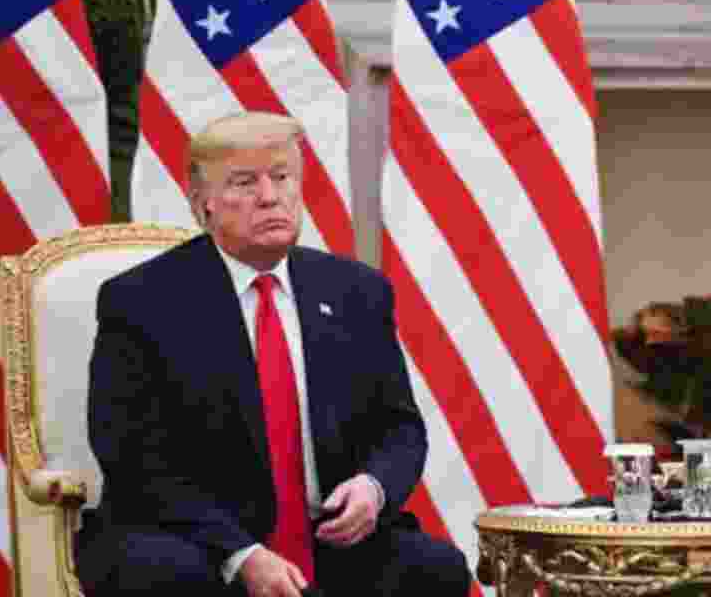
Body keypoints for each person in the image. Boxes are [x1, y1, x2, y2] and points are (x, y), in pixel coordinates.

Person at [79, 112, 470, 597]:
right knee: (166, 575)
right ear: (202, 204)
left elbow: (399, 428)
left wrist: (373, 487)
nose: (269, 196)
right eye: (245, 183)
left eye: (282, 177)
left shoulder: (356, 292)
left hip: (328, 540)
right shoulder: (141, 300)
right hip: (196, 539)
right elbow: (131, 457)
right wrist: (241, 553)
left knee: (436, 568)